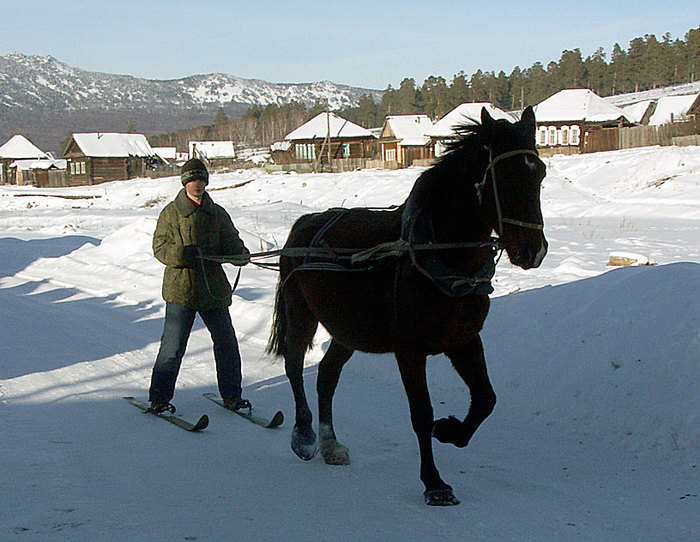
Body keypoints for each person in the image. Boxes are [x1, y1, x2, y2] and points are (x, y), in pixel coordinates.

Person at [147, 157, 251, 413]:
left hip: (213, 290)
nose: (197, 184)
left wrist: (240, 254)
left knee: (227, 344)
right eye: (192, 179)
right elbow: (159, 248)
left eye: (201, 179)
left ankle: (232, 396)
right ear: (184, 183)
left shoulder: (218, 213)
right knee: (172, 348)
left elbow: (232, 242)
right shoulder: (171, 213)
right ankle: (159, 398)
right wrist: (182, 255)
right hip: (181, 291)